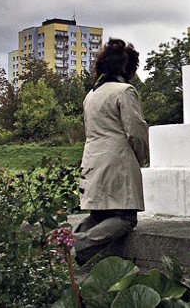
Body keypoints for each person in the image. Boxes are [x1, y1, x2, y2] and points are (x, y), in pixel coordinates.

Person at [73, 37, 149, 265]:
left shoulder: (91, 95)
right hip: (117, 159)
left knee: (99, 214)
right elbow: (135, 131)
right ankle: (78, 244)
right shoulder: (124, 91)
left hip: (92, 158)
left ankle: (63, 242)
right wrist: (141, 158)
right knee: (125, 218)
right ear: (127, 68)